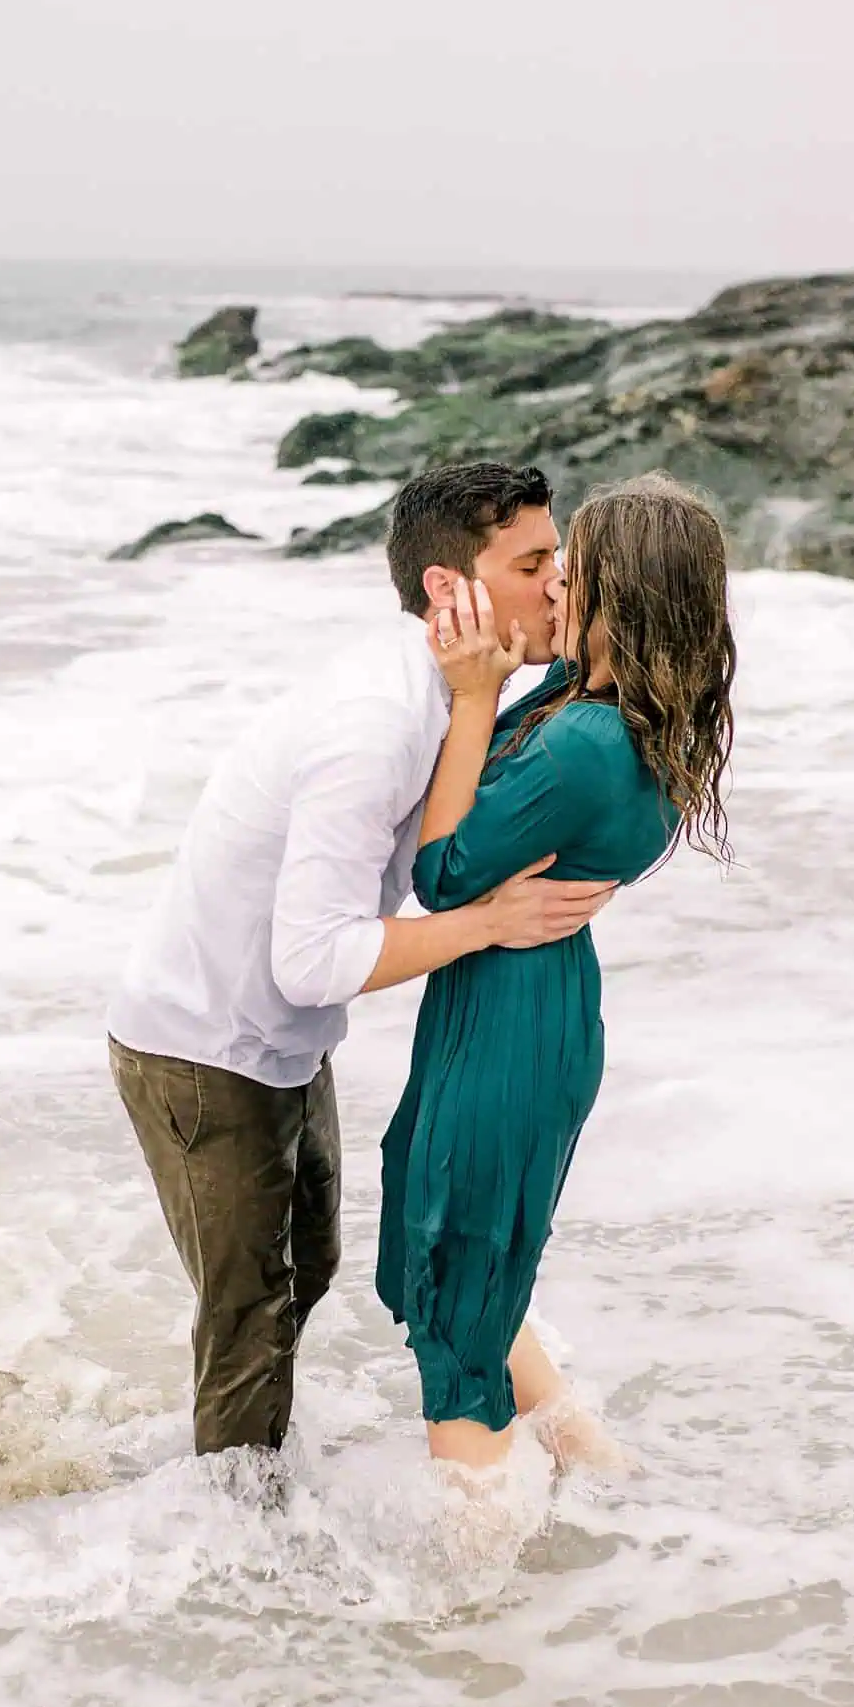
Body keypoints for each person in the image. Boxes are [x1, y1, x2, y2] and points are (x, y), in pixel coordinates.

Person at [107, 460, 614, 1460]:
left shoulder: (451, 692)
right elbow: (310, 959)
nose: (556, 585)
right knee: (251, 1317)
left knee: (308, 1271)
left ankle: (241, 1494)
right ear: (446, 590)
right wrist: (490, 925)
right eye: (533, 563)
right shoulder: (376, 722)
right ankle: (233, 1559)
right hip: (204, 1047)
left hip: (282, 1042)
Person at [376, 474, 737, 1476]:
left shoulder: (583, 737)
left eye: (569, 573)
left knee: (454, 1319)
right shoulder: (616, 711)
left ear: (619, 594)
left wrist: (473, 693)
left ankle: (477, 1612)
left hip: (510, 1014)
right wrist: (493, 680)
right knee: (437, 1271)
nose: (552, 591)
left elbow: (445, 873)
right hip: (531, 997)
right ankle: (597, 1467)